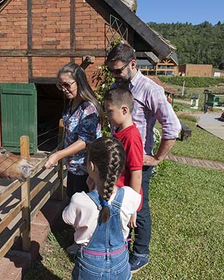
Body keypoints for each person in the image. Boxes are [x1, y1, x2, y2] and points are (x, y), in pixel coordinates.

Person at [106, 43, 182, 273]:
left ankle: (140, 253)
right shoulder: (117, 86)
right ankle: (121, 245)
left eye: (118, 71)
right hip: (118, 162)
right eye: (112, 71)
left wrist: (157, 158)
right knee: (119, 203)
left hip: (138, 162)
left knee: (139, 207)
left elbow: (173, 127)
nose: (115, 76)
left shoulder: (150, 90)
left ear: (132, 64)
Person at [62, 137, 141, 280]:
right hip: (121, 263)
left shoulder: (79, 200)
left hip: (90, 267)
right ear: (121, 167)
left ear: (91, 166)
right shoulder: (130, 196)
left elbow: (69, 219)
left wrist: (90, 190)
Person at [44, 62, 102, 254]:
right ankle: (78, 237)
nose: (64, 89)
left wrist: (58, 155)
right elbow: (70, 134)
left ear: (79, 81)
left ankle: (84, 246)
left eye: (67, 84)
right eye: (61, 85)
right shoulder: (71, 104)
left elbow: (85, 140)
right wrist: (58, 150)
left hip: (87, 167)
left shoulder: (89, 108)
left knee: (86, 208)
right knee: (75, 201)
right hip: (74, 165)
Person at [103, 87, 143, 230]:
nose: (107, 115)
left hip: (124, 198)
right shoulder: (118, 131)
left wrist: (132, 208)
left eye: (110, 111)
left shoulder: (131, 137)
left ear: (124, 110)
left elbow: (136, 174)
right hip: (115, 193)